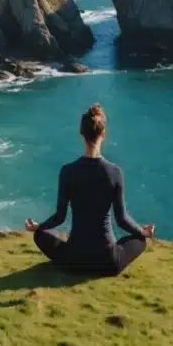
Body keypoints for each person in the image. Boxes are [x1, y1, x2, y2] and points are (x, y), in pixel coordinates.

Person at [25, 103, 154, 275]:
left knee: (39, 235)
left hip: (74, 260)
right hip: (107, 262)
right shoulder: (115, 172)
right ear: (104, 133)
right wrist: (142, 231)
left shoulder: (68, 171)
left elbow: (59, 217)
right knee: (141, 240)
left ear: (81, 134)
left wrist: (38, 226)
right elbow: (122, 219)